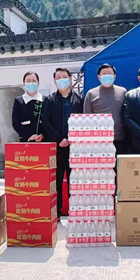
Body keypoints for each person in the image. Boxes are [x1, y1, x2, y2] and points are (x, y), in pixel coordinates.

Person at [42, 68, 83, 218]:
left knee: (75, 180)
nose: (61, 80)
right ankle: (57, 211)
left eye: (64, 77)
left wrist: (75, 138)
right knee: (57, 180)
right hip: (57, 147)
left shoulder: (79, 99)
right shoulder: (49, 100)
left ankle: (76, 210)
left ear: (70, 79)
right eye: (58, 77)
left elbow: (83, 121)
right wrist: (59, 139)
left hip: (75, 147)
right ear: (54, 81)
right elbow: (45, 122)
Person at [83, 63, 127, 154]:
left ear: (114, 76)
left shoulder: (122, 92)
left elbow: (127, 115)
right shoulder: (91, 94)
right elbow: (86, 117)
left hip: (119, 138)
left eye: (110, 74)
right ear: (99, 77)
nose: (107, 76)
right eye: (104, 74)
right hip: (99, 140)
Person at [12, 72, 45, 142]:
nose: (31, 83)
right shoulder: (19, 101)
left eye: (34, 81)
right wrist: (28, 136)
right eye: (28, 81)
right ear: (24, 84)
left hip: (43, 140)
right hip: (26, 140)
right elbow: (15, 123)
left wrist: (43, 135)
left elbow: (49, 121)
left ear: (38, 83)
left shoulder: (45, 100)